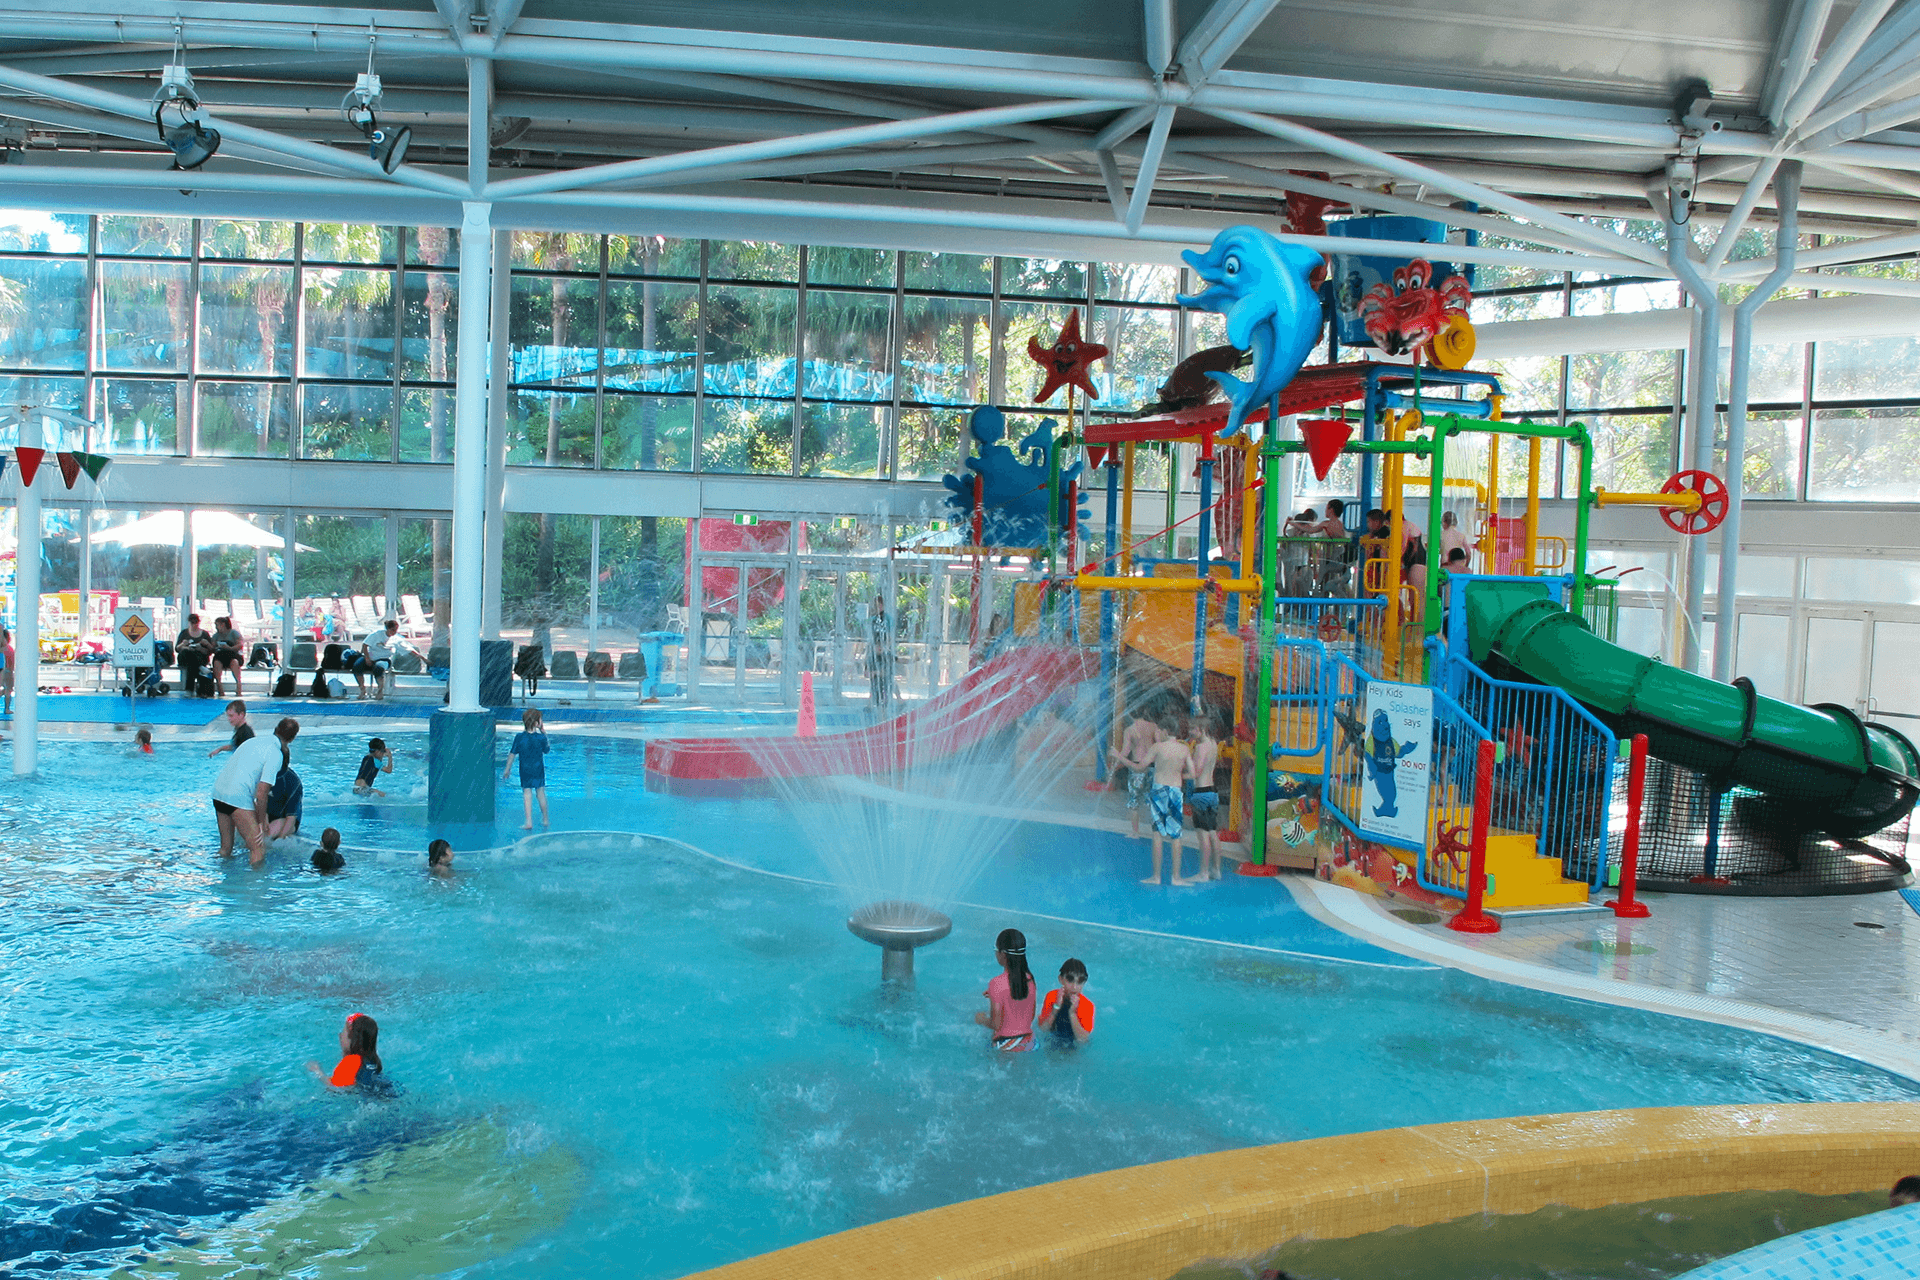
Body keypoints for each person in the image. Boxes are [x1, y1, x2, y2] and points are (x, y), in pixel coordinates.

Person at [211, 716, 299, 866]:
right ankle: (256, 887)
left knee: (225, 849)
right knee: (257, 849)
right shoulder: (275, 754)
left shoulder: (252, 742)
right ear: (291, 739)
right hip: (237, 797)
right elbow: (261, 792)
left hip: (218, 793)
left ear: (276, 729)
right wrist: (259, 823)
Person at [1143, 716, 1195, 885]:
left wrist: (1120, 758)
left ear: (1165, 731)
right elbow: (1193, 774)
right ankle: (1176, 877)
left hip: (1159, 791)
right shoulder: (1184, 749)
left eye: (1159, 730)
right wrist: (1180, 775)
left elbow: (1140, 766)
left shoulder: (1158, 747)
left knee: (1157, 834)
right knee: (1176, 836)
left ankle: (1156, 877)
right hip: (1175, 791)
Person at [973, 927, 1036, 1051]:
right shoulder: (1029, 979)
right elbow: (1031, 1015)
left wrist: (981, 1019)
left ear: (1002, 954)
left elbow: (996, 1024)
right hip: (1030, 1042)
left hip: (1007, 1045)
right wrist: (996, 995)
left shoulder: (996, 983)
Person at [306, 1012, 397, 1096]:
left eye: (343, 1033)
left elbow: (333, 1087)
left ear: (352, 1039)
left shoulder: (351, 1061)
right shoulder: (373, 1059)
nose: (340, 1035)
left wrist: (317, 1071)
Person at [1112, 709, 1163, 839]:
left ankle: (1135, 832)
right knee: (1153, 799)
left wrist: (1116, 759)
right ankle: (1158, 830)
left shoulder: (1130, 730)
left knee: (1134, 801)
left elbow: (1125, 751)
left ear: (1130, 713)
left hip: (1136, 768)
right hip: (1152, 766)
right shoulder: (1153, 726)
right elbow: (1159, 744)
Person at [1188, 712, 1224, 881]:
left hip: (1201, 793)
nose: (1190, 732)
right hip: (1212, 791)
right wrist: (1198, 706)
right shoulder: (1212, 743)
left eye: (1193, 729)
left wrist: (1176, 773)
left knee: (1203, 835)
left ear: (1201, 729)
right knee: (1212, 832)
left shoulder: (1201, 748)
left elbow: (1196, 772)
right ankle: (1216, 870)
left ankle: (1203, 873)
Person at [504, 709, 551, 829]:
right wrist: (544, 732)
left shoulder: (519, 737)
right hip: (538, 770)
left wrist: (507, 769)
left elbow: (512, 754)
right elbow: (547, 750)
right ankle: (545, 819)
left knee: (527, 794)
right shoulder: (541, 738)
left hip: (525, 770)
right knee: (540, 793)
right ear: (537, 723)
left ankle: (528, 821)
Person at [1038, 958, 1095, 1047]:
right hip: (1051, 1039)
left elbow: (1083, 1040)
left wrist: (1072, 1013)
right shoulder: (1052, 997)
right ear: (1061, 979)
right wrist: (1056, 1008)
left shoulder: (1087, 1005)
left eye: (1080, 982)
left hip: (1074, 1045)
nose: (1074, 987)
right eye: (1070, 980)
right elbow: (1043, 1029)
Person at [353, 619, 411, 701]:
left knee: (378, 668)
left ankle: (380, 691)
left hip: (384, 659)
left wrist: (422, 658)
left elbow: (409, 649)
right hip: (371, 657)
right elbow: (365, 645)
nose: (394, 632)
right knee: (356, 666)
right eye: (393, 630)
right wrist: (367, 658)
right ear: (387, 629)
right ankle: (362, 689)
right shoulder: (376, 634)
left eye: (396, 630)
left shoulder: (396, 638)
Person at [865, 594, 895, 715]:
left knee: (886, 676)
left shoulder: (888, 619)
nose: (875, 608)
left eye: (877, 605)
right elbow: (870, 636)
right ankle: (872, 702)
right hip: (874, 650)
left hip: (883, 650)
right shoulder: (872, 619)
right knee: (875, 678)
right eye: (874, 606)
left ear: (882, 605)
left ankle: (887, 702)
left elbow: (890, 635)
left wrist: (887, 647)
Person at [176, 614, 215, 695]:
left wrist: (205, 645)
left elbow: (210, 651)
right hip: (186, 657)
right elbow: (177, 649)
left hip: (199, 657)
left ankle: (189, 689)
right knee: (188, 654)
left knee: (191, 666)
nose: (194, 625)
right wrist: (184, 645)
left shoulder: (204, 634)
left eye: (196, 623)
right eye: (192, 623)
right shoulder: (184, 633)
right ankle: (200, 668)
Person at [266, 755, 304, 840]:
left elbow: (291, 817)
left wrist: (280, 839)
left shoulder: (292, 782)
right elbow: (259, 802)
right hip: (268, 814)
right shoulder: (264, 775)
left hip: (285, 819)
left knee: (269, 835)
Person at [210, 616, 247, 697]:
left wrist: (229, 648)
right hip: (220, 656)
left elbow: (239, 645)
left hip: (233, 655)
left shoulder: (234, 633)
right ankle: (220, 687)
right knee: (216, 663)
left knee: (234, 662)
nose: (216, 627)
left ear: (223, 624)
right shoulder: (216, 636)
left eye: (217, 625)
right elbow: (212, 648)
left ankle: (238, 686)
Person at [2, 626, 13, 714]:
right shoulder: (8, 649)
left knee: (5, 690)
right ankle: (7, 709)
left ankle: (7, 709)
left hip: (3, 670)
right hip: (7, 671)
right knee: (8, 690)